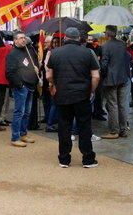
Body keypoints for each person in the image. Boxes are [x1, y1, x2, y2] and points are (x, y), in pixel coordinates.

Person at [47, 27, 100, 168]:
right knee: (84, 126)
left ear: (65, 38)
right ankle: (88, 158)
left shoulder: (55, 53)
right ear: (79, 38)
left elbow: (48, 75)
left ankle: (64, 159)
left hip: (62, 94)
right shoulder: (88, 52)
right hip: (82, 95)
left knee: (64, 126)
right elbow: (96, 76)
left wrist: (53, 85)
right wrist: (91, 90)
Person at [6, 31, 39, 147]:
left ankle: (23, 133)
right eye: (20, 38)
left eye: (24, 38)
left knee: (27, 112)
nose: (23, 40)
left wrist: (36, 69)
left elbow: (34, 64)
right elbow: (9, 72)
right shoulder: (12, 54)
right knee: (19, 112)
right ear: (15, 41)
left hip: (31, 85)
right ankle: (15, 137)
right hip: (21, 86)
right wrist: (20, 84)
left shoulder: (29, 51)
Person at [100, 25, 131, 139]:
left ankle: (114, 131)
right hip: (123, 77)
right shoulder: (122, 44)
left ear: (107, 34)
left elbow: (104, 64)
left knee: (112, 105)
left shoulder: (106, 46)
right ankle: (123, 130)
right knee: (122, 105)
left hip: (111, 79)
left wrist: (102, 75)